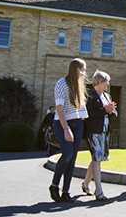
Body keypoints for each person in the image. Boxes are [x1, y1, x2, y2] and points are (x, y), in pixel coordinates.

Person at [49, 58, 88, 203]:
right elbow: (59, 108)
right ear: (77, 69)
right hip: (63, 123)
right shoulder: (61, 84)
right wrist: (66, 129)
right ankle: (54, 186)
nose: (84, 72)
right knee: (67, 155)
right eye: (83, 69)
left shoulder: (79, 85)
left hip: (78, 122)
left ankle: (66, 191)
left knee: (72, 159)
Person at [81, 70, 116, 201]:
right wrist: (104, 110)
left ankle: (85, 184)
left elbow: (111, 112)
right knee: (96, 157)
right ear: (100, 82)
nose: (108, 84)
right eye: (106, 81)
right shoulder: (90, 96)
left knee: (97, 158)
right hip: (93, 131)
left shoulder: (107, 96)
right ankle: (99, 190)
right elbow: (88, 114)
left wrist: (111, 111)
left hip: (104, 131)